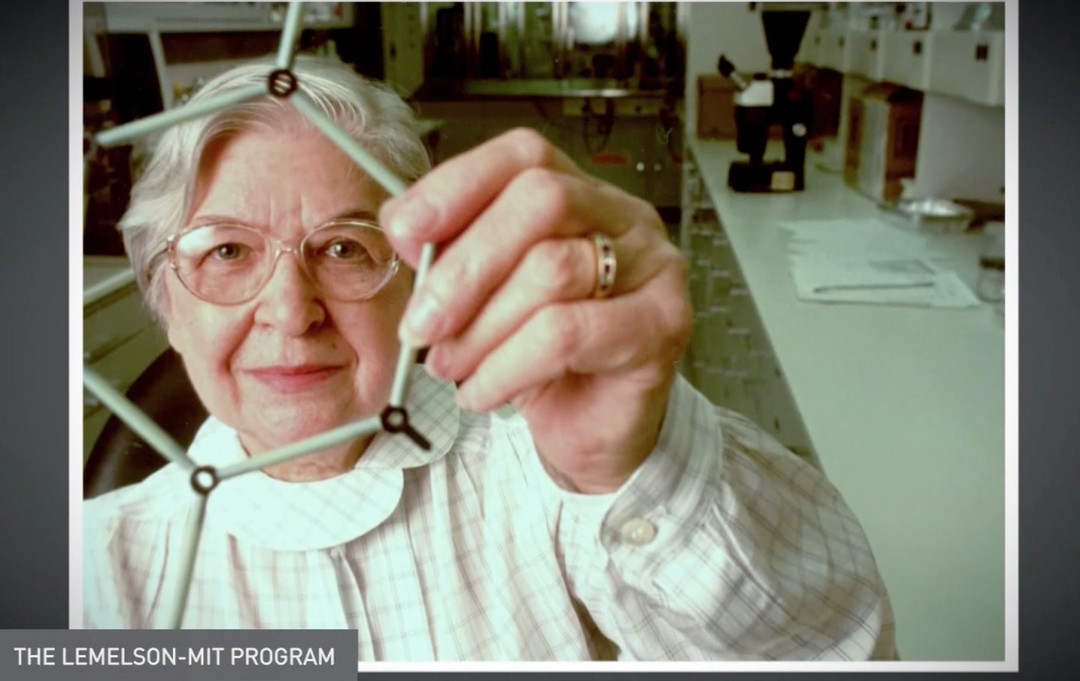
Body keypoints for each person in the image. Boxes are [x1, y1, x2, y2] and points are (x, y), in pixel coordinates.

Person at [83, 55, 898, 661]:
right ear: (166, 300)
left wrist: (635, 469)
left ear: (418, 277)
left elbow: (834, 650)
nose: (292, 311)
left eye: (344, 246)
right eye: (225, 251)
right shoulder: (93, 575)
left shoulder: (543, 474)